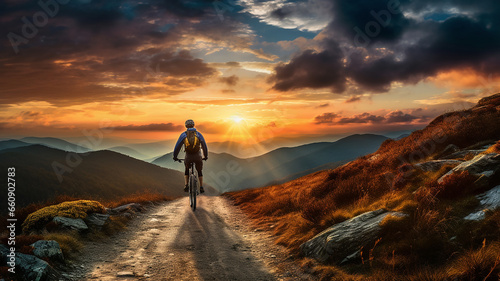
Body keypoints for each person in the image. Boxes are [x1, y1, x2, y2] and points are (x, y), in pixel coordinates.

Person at [173, 119, 208, 193]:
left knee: (186, 169)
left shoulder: (183, 135)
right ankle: (201, 187)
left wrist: (175, 156)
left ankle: (186, 185)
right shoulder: (198, 134)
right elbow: (204, 146)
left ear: (186, 126)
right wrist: (206, 156)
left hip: (188, 156)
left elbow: (177, 147)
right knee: (199, 171)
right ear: (193, 125)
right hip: (198, 156)